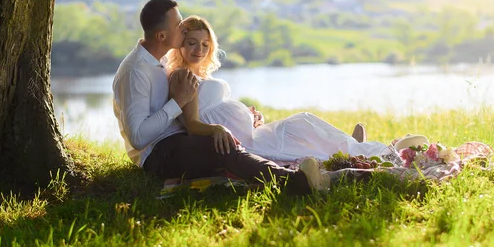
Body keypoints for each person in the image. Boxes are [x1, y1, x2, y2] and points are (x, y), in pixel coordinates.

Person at [112, 0, 332, 193]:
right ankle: (295, 182)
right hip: (157, 154)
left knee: (227, 141)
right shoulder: (136, 72)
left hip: (177, 138)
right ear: (161, 35)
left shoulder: (160, 59)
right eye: (178, 26)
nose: (183, 29)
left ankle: (318, 162)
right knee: (220, 147)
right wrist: (178, 102)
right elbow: (139, 137)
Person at [166, 15, 401, 165]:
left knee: (303, 122)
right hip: (248, 143)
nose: (200, 49)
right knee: (302, 124)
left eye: (205, 44)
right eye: (192, 43)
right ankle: (365, 150)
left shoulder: (202, 75)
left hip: (252, 132)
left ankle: (354, 147)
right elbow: (192, 123)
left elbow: (217, 109)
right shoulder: (182, 76)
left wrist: (249, 116)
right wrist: (218, 127)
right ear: (180, 45)